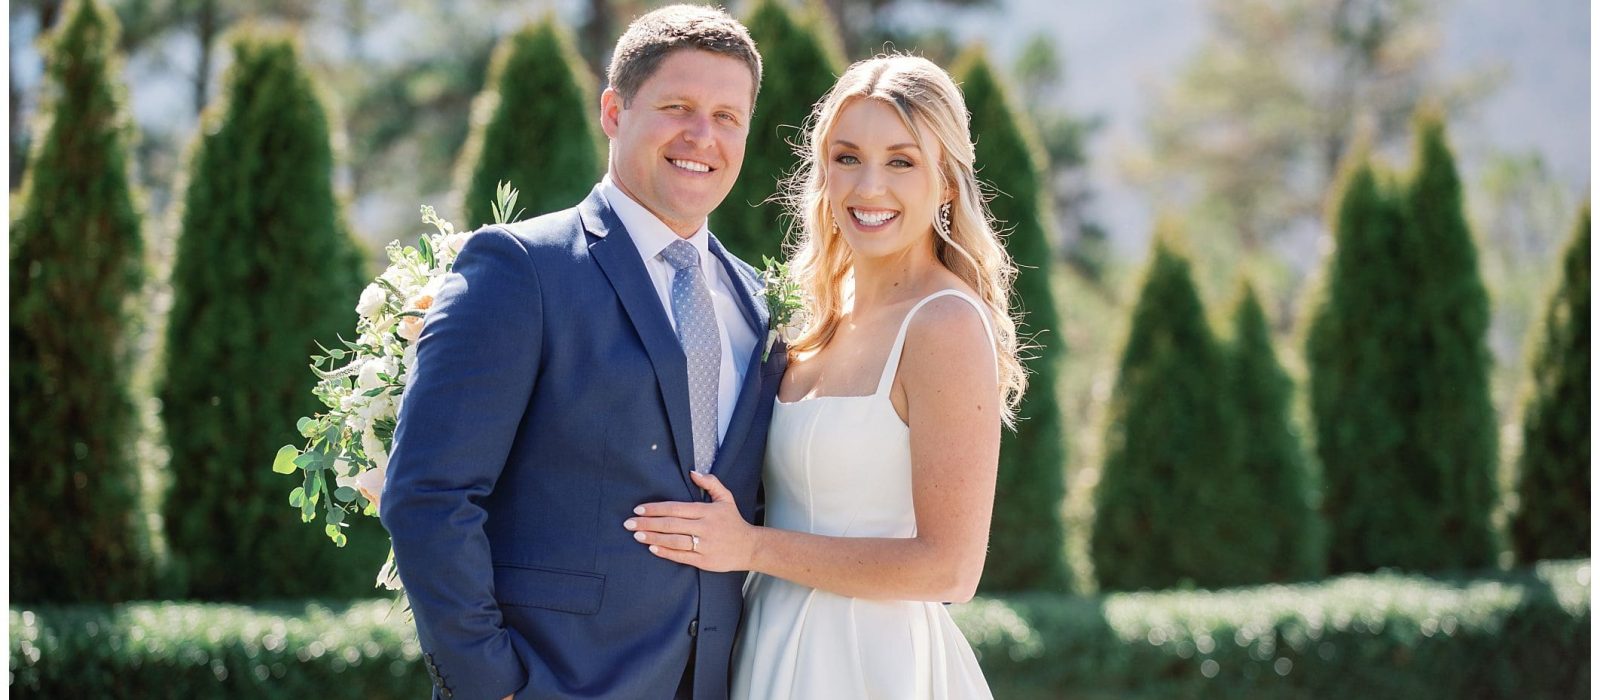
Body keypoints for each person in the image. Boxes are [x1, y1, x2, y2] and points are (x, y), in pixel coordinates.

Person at [379, 6, 785, 699]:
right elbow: (429, 493)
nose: (702, 136)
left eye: (727, 116)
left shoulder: (760, 303)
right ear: (614, 112)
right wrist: (492, 685)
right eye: (677, 107)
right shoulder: (521, 269)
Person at [626, 54, 1024, 698]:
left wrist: (751, 549)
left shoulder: (944, 324)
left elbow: (950, 569)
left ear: (947, 181)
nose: (869, 187)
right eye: (847, 158)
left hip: (869, 662)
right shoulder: (811, 318)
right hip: (765, 642)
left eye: (901, 161)